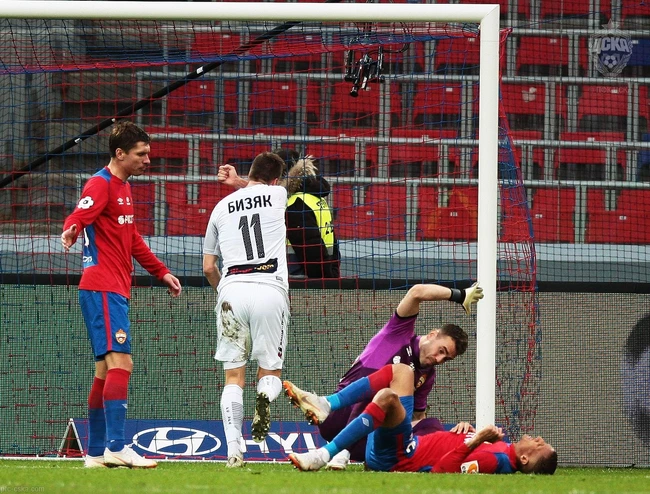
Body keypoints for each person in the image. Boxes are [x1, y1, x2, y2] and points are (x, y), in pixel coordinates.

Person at [60, 121, 182, 469]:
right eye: (141, 154)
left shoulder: (124, 187)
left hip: (110, 287)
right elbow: (80, 214)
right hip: (102, 286)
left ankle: (96, 454)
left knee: (104, 371)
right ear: (120, 153)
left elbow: (132, 239)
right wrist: (71, 229)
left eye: (148, 153)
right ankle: (117, 446)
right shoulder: (100, 183)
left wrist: (161, 271)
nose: (148, 160)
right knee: (122, 363)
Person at [315, 282, 482, 470]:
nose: (439, 359)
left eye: (446, 359)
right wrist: (459, 295)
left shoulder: (427, 376)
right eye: (441, 350)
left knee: (430, 424)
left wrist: (450, 435)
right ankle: (338, 441)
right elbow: (417, 292)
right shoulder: (399, 332)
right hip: (338, 418)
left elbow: (414, 417)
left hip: (367, 439)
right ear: (432, 335)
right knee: (385, 387)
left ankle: (411, 463)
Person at [284, 363, 557, 474]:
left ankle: (323, 454)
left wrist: (474, 441)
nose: (538, 438)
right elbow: (454, 447)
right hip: (405, 444)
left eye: (540, 445)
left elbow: (442, 471)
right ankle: (327, 403)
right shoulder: (502, 446)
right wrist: (465, 432)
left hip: (398, 456)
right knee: (403, 371)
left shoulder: (497, 461)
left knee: (387, 397)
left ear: (525, 459)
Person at [204, 152, 290, 468]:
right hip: (270, 289)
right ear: (276, 180)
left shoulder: (219, 208)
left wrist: (224, 292)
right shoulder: (279, 195)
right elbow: (259, 193)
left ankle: (233, 451)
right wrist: (240, 182)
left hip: (232, 292)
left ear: (251, 172)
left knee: (233, 376)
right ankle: (263, 401)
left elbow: (208, 266)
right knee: (269, 371)